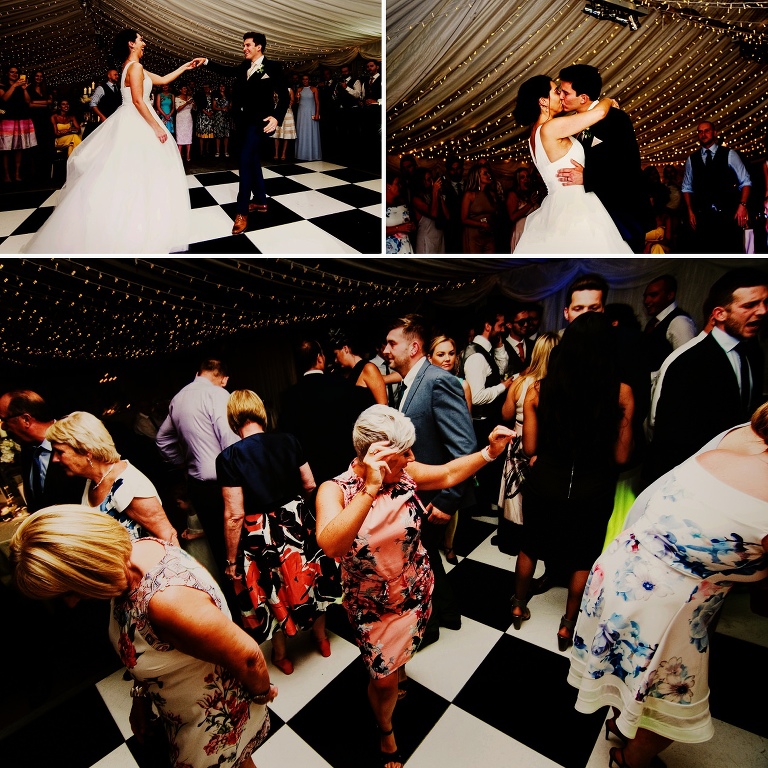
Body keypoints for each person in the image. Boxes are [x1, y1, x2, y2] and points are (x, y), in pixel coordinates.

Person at [568, 402, 768, 768]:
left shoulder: (725, 447)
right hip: (664, 602)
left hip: (620, 568)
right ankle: (628, 759)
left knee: (626, 669)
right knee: (674, 712)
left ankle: (619, 723)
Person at [316, 405, 514, 768]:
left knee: (402, 658)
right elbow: (331, 545)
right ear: (379, 456)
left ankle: (400, 666)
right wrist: (370, 488)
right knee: (383, 682)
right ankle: (386, 732)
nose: (411, 459)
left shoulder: (405, 474)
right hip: (372, 606)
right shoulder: (336, 490)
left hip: (415, 589)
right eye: (404, 453)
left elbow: (448, 472)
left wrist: (490, 452)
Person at [11, 507, 277, 768]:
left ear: (89, 567)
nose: (71, 603)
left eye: (68, 591)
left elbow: (248, 658)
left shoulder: (166, 602)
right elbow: (146, 646)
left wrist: (260, 695)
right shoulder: (128, 562)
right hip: (187, 712)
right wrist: (141, 695)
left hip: (213, 720)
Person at [510, 313, 634, 650]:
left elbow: (530, 447)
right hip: (593, 486)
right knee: (583, 556)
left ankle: (518, 604)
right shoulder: (621, 392)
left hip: (546, 480)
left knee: (530, 545)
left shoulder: (538, 389)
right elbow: (622, 456)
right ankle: (567, 625)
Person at [23, 29, 205, 254]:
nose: (144, 43)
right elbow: (138, 101)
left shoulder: (131, 66)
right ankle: (135, 224)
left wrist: (185, 66)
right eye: (140, 39)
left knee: (131, 171)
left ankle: (137, 217)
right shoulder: (134, 67)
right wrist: (157, 127)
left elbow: (163, 79)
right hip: (137, 120)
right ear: (131, 43)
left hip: (131, 119)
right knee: (140, 171)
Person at [218, 390, 338, 674]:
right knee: (311, 576)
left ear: (233, 420)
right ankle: (321, 638)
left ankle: (282, 655)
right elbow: (310, 484)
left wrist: (231, 561)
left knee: (269, 588)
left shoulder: (228, 457)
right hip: (295, 521)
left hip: (259, 533)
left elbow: (234, 515)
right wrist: (299, 510)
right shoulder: (288, 440)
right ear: (261, 413)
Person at [384, 316, 477, 644]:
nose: (385, 350)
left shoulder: (438, 381)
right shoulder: (409, 382)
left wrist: (448, 500)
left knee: (417, 559)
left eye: (392, 343)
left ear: (413, 347)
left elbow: (465, 447)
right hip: (418, 493)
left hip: (434, 496)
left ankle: (430, 628)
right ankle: (448, 613)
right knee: (426, 556)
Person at [513, 75, 632, 253]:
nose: (561, 96)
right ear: (543, 101)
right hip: (575, 205)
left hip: (557, 205)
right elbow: (599, 113)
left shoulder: (534, 134)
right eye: (556, 91)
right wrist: (608, 100)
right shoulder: (551, 127)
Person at [556, 64, 653, 253]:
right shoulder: (572, 124)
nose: (561, 97)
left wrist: (587, 177)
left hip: (622, 215)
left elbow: (628, 166)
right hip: (591, 216)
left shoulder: (616, 119)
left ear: (583, 98)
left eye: (566, 93)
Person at [156, 359, 239, 574]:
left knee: (217, 545)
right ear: (224, 379)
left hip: (197, 487)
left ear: (198, 373)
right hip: (225, 483)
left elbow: (162, 440)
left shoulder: (178, 398)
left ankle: (227, 590)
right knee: (237, 544)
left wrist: (183, 463)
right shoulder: (218, 394)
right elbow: (230, 440)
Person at [46, 411, 178, 544]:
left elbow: (168, 536)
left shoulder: (128, 485)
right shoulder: (92, 480)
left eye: (60, 452)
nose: (54, 459)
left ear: (86, 451)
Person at [207, 32, 289, 235]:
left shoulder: (273, 67)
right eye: (244, 45)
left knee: (244, 161)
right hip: (242, 123)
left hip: (260, 123)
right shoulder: (244, 66)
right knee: (252, 160)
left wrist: (276, 117)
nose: (244, 48)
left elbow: (285, 96)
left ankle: (242, 211)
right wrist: (206, 62)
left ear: (259, 47)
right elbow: (226, 71)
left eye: (247, 45)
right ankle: (260, 201)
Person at [497, 332, 559, 555]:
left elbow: (505, 414)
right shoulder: (558, 386)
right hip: (546, 444)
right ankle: (538, 541)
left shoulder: (521, 382)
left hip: (519, 441)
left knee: (515, 494)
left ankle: (512, 541)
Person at [427, 334, 473, 564]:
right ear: (429, 357)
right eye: (441, 354)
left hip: (451, 452)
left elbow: (466, 426)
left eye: (451, 353)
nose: (447, 359)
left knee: (451, 501)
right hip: (431, 451)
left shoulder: (462, 384)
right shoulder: (425, 383)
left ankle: (449, 545)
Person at [0, 390, 84, 512]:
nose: (3, 427)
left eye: (4, 420)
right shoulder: (27, 451)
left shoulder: (76, 440)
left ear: (26, 420)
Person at [681, 120, 752, 254]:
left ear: (714, 133)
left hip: (728, 214)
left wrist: (742, 205)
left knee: (729, 252)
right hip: (703, 217)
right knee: (706, 253)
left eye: (706, 131)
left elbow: (745, 181)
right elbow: (686, 187)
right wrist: (690, 211)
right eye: (700, 132)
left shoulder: (729, 154)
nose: (703, 134)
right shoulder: (692, 159)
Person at [1, 65, 37, 183]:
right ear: (7, 73)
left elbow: (28, 101)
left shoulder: (21, 86)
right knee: (6, 148)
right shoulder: (2, 85)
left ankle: (17, 173)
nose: (14, 74)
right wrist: (14, 86)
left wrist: (24, 89)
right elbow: (4, 99)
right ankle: (6, 175)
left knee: (19, 147)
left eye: (16, 72)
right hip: (8, 119)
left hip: (21, 118)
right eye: (12, 72)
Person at [461, 163, 498, 253]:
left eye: (488, 173)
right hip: (474, 236)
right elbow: (463, 219)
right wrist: (481, 224)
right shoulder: (469, 195)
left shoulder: (491, 194)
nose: (489, 175)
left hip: (489, 234)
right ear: (477, 176)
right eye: (485, 173)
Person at [412, 167, 448, 254]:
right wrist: (434, 192)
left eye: (432, 178)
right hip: (426, 239)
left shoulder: (433, 195)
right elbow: (433, 214)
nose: (432, 181)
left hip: (439, 237)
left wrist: (439, 195)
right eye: (428, 179)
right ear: (421, 181)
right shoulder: (416, 199)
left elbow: (447, 216)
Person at [385, 171, 415, 253]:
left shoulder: (402, 203)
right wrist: (399, 228)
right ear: (388, 186)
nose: (400, 186)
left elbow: (410, 222)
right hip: (391, 249)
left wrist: (412, 226)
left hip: (406, 246)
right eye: (397, 184)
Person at [295, 74, 321, 161]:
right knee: (302, 131)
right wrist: (297, 98)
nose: (305, 80)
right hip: (301, 113)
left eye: (306, 79)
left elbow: (317, 102)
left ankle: (313, 154)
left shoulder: (314, 89)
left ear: (309, 80)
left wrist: (317, 113)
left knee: (311, 131)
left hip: (311, 112)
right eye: (303, 79)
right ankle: (301, 154)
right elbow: (296, 102)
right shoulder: (299, 89)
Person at [273, 86, 296, 160]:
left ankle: (283, 153)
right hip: (277, 112)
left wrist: (287, 103)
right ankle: (276, 153)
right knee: (277, 134)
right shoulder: (275, 90)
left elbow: (292, 101)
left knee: (287, 133)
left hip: (287, 112)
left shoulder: (289, 90)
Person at [174, 84, 194, 161]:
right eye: (184, 88)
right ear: (180, 90)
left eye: (186, 89)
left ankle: (188, 154)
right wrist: (186, 103)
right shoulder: (177, 98)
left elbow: (194, 109)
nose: (185, 90)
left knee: (188, 136)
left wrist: (194, 104)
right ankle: (179, 155)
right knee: (180, 136)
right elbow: (178, 109)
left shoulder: (190, 98)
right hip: (180, 119)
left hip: (188, 119)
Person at [212, 83, 231, 158]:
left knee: (226, 135)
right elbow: (214, 107)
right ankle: (217, 151)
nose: (222, 87)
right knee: (218, 135)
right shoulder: (216, 96)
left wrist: (227, 108)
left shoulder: (228, 96)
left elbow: (230, 105)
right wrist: (221, 109)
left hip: (226, 117)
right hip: (218, 117)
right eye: (221, 86)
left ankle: (226, 151)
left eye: (223, 86)